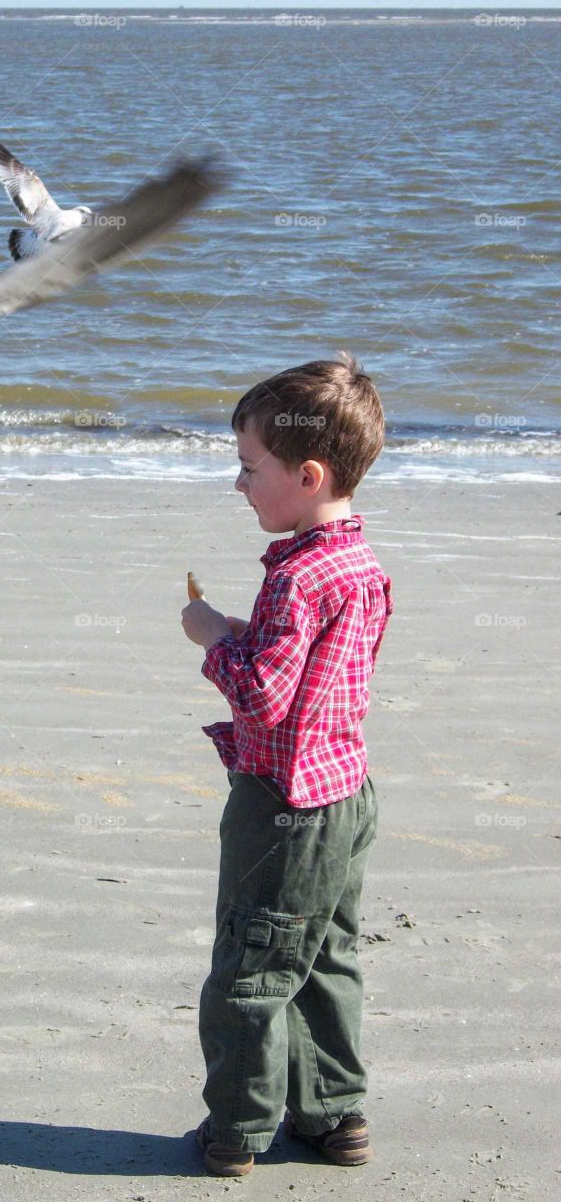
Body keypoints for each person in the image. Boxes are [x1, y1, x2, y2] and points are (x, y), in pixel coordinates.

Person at [181, 353, 393, 1178]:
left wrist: (213, 639)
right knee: (327, 955)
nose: (239, 484)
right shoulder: (357, 563)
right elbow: (314, 672)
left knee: (253, 964)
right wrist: (248, 630)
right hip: (347, 793)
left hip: (284, 806)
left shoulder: (298, 576)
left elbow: (264, 696)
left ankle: (235, 1130)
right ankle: (336, 1118)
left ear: (307, 475)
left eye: (248, 467)